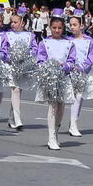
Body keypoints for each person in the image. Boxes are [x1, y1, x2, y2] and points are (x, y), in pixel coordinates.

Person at [35, 10, 76, 150]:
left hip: (64, 78)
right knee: (52, 105)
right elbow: (40, 61)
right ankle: (51, 136)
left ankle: (56, 131)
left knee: (61, 106)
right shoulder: (44, 43)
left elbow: (72, 61)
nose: (57, 30)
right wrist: (48, 67)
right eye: (54, 28)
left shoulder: (70, 43)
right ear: (50, 28)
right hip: (50, 79)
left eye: (59, 28)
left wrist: (64, 66)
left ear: (63, 28)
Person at [65, 11, 93, 137]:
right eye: (70, 25)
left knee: (80, 98)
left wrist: (81, 67)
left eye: (75, 24)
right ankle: (73, 125)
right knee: (77, 97)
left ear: (81, 26)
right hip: (70, 72)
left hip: (83, 72)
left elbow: (91, 58)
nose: (72, 27)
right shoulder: (67, 40)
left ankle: (73, 122)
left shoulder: (90, 41)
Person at [4, 6, 36, 130]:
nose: (12, 24)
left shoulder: (30, 35)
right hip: (12, 66)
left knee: (18, 91)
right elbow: (4, 50)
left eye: (15, 22)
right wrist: (10, 57)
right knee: (15, 89)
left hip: (24, 66)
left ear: (23, 23)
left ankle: (11, 118)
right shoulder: (7, 35)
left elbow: (34, 49)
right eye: (12, 22)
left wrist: (28, 57)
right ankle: (17, 118)